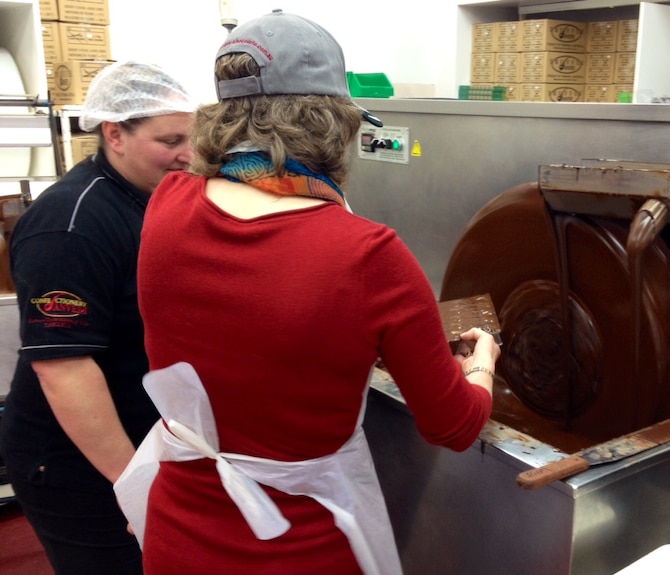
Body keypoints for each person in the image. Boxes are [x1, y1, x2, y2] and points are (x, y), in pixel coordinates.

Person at [115, 10, 501, 575]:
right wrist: (480, 366)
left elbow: (245, 324)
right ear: (335, 123)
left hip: (179, 535)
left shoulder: (169, 203)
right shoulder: (368, 254)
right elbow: (453, 426)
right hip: (299, 548)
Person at [0, 61, 195, 574]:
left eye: (191, 138)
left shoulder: (144, 198)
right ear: (115, 134)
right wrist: (133, 480)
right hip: (74, 462)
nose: (188, 154)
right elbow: (62, 368)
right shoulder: (71, 224)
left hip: (138, 435)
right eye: (170, 139)